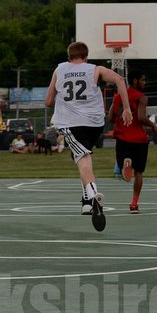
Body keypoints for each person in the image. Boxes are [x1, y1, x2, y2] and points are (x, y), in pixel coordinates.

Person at [45, 41, 132, 232]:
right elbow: (119, 80)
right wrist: (126, 108)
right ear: (86, 57)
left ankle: (93, 196)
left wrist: (62, 96)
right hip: (95, 124)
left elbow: (48, 101)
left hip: (71, 123)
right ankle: (85, 203)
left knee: (82, 158)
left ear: (69, 57)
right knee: (83, 156)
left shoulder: (60, 69)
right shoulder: (95, 69)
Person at [109, 70, 157, 214]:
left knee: (122, 165)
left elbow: (111, 118)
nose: (144, 83)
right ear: (135, 81)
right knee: (139, 173)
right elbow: (141, 117)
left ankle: (126, 163)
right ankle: (134, 203)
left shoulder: (118, 97)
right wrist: (153, 125)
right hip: (139, 140)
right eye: (143, 80)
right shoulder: (141, 97)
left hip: (122, 138)